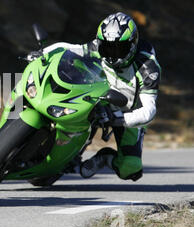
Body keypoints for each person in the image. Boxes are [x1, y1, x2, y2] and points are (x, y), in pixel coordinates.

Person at [28, 12, 161, 181]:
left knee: (130, 169)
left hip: (127, 111)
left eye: (120, 49)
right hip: (97, 96)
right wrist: (43, 53)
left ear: (133, 44)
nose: (112, 54)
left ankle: (105, 157)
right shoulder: (98, 46)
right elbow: (69, 48)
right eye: (107, 48)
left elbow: (149, 111)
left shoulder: (148, 68)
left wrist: (118, 119)